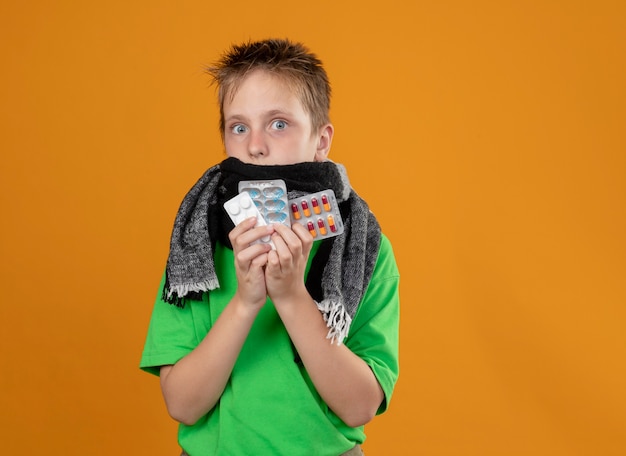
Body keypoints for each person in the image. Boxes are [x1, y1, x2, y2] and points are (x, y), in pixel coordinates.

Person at [140, 38, 400, 456]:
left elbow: (359, 407)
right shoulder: (196, 247)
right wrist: (245, 302)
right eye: (238, 126)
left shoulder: (365, 249)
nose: (255, 145)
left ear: (321, 140)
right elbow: (183, 405)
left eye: (278, 123)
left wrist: (292, 296)